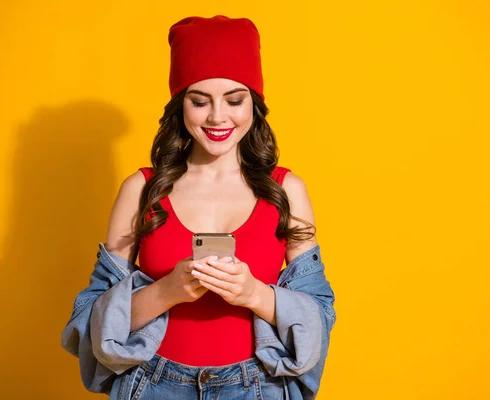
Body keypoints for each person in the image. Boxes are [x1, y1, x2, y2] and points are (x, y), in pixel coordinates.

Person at [62, 15, 336, 400]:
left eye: (234, 100)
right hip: (152, 385)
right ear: (180, 104)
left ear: (254, 105)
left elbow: (319, 318)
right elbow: (91, 322)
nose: (217, 117)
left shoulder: (286, 190)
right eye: (199, 101)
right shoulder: (141, 189)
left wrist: (253, 293)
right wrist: (167, 291)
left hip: (257, 386)